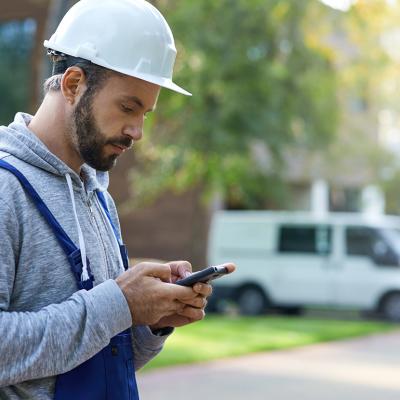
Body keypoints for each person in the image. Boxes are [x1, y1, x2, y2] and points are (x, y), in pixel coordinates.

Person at [0, 0, 235, 398]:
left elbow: (101, 353)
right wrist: (119, 303)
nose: (137, 131)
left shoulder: (99, 201)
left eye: (146, 113)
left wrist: (153, 319)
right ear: (74, 84)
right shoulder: (7, 190)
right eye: (128, 107)